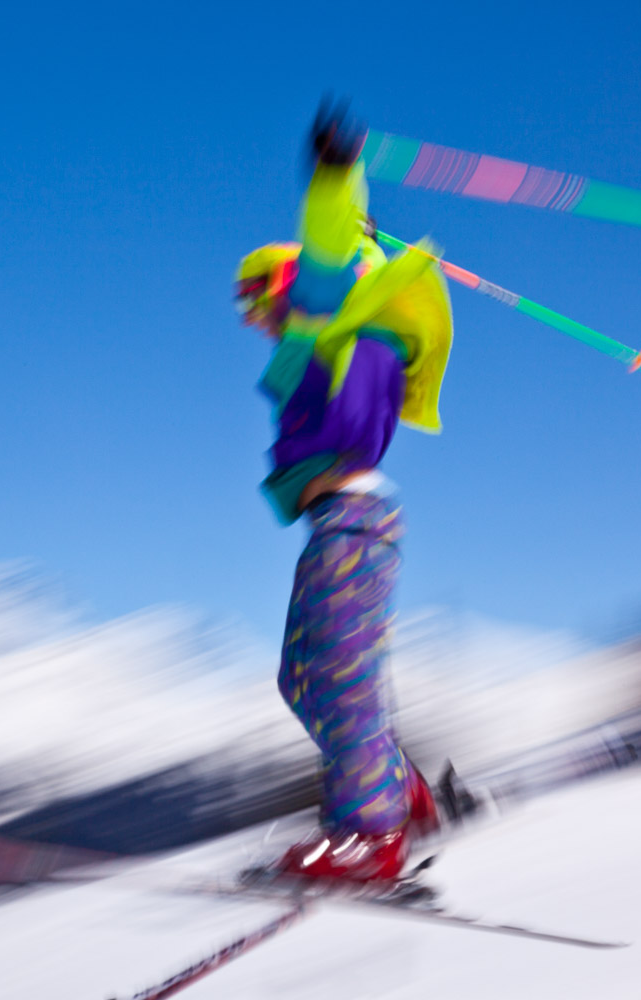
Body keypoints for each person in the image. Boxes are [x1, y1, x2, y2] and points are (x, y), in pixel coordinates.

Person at [233, 103, 454, 885]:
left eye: (258, 295)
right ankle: (403, 795)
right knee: (301, 681)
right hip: (337, 523)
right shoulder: (307, 345)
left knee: (341, 676)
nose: (253, 315)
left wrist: (333, 176)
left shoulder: (328, 309)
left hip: (357, 518)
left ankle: (371, 834)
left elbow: (331, 237)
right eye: (245, 306)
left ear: (290, 280)